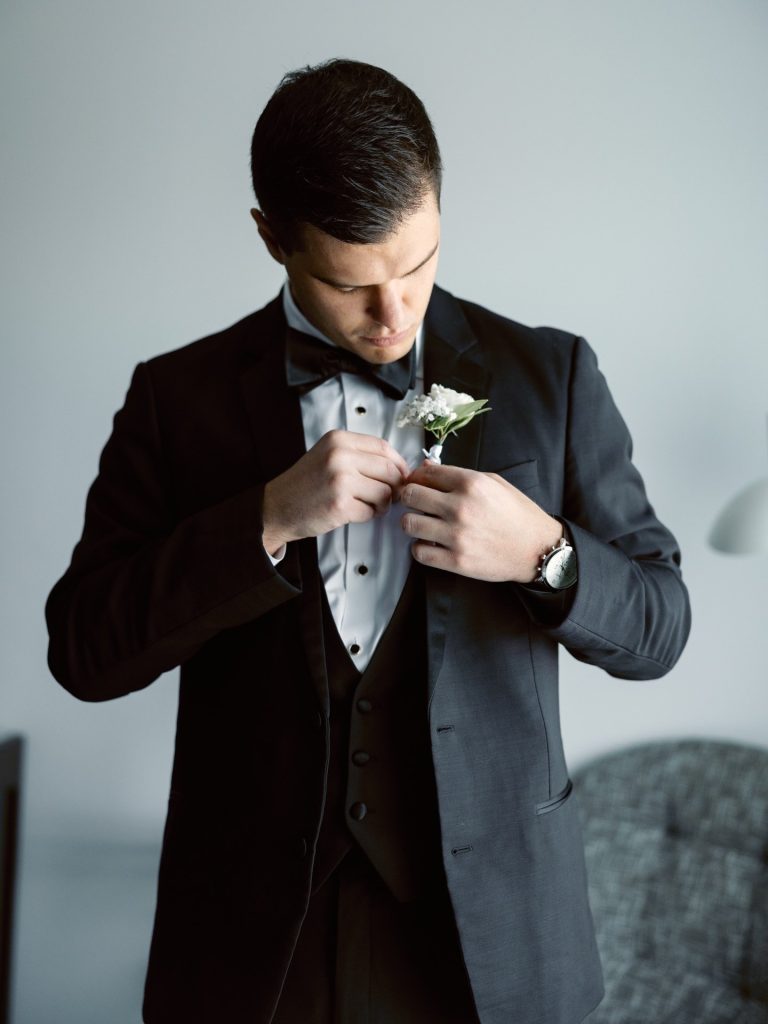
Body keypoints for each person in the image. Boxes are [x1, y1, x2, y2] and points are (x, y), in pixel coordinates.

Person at [45, 58, 691, 1024]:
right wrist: (261, 520)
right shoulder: (174, 401)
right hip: (254, 943)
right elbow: (85, 652)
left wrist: (545, 554)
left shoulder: (550, 376)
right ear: (272, 238)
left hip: (496, 937)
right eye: (350, 285)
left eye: (418, 266)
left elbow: (661, 626)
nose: (393, 317)